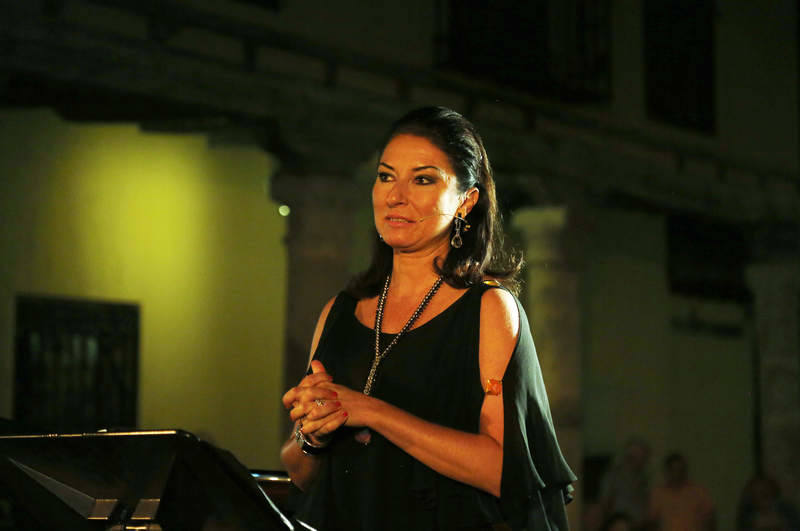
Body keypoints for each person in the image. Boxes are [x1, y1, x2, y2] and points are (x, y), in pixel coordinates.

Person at [279, 106, 576, 530]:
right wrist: (314, 436)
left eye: (423, 179)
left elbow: (503, 470)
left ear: (466, 201)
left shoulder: (487, 308)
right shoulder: (339, 312)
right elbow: (299, 470)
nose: (395, 196)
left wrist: (375, 412)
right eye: (385, 176)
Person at [647, 453, 715, 531]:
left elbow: (710, 520)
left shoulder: (699, 492)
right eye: (674, 470)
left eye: (680, 470)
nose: (677, 474)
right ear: (667, 471)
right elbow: (652, 521)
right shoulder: (658, 493)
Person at [598, 437, 651, 530]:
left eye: (644, 458)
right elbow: (605, 503)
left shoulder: (643, 479)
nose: (643, 462)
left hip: (637, 526)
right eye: (640, 457)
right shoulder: (613, 476)